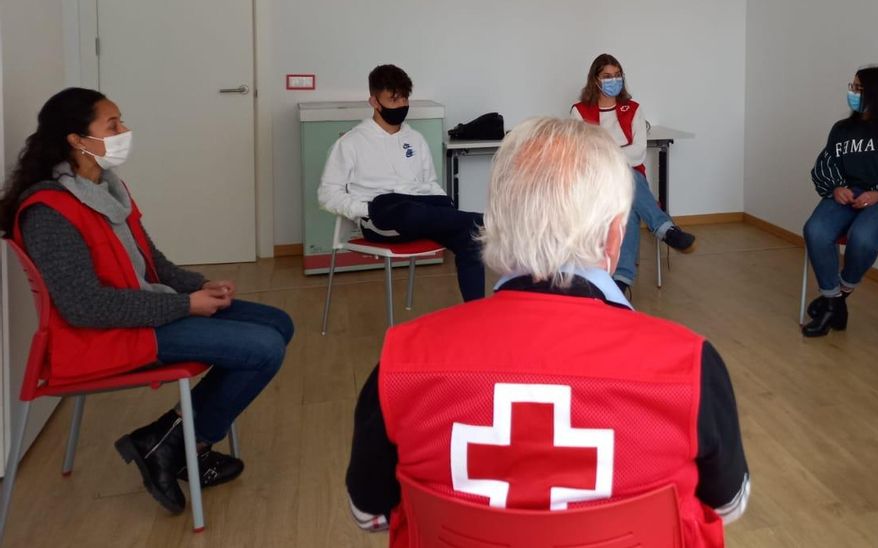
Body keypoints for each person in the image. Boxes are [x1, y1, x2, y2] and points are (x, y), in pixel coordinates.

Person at [345, 117, 749, 547]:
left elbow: (369, 515)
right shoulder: (690, 365)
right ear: (616, 238)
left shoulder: (401, 361)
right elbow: (728, 505)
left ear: (493, 226)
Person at [0, 87, 293, 513]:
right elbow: (85, 307)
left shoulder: (107, 187)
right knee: (263, 348)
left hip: (147, 311)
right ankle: (182, 445)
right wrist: (185, 306)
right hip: (106, 334)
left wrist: (199, 286)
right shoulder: (49, 210)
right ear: (77, 140)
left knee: (279, 323)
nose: (125, 131)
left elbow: (151, 263)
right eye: (113, 125)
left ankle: (166, 441)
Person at [319, 64, 485, 302]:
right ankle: (484, 219)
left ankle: (478, 316)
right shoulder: (351, 143)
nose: (401, 106)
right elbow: (328, 194)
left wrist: (442, 206)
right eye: (394, 100)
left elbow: (429, 184)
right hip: (379, 216)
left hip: (419, 211)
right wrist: (367, 210)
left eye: (405, 99)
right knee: (405, 211)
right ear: (374, 102)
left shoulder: (415, 139)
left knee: (470, 238)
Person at [802, 66, 878, 337]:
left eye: (858, 88)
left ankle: (836, 298)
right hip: (849, 195)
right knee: (816, 230)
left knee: (863, 237)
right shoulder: (842, 130)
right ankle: (833, 301)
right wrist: (836, 188)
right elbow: (823, 166)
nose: (852, 92)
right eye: (852, 86)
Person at [570, 53, 696, 296]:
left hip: (627, 180)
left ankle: (621, 279)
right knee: (626, 180)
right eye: (607, 76)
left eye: (617, 75)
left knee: (625, 198)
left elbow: (638, 154)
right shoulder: (579, 112)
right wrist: (613, 158)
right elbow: (585, 155)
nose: (613, 80)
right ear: (595, 79)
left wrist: (607, 154)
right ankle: (664, 229)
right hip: (595, 183)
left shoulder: (634, 109)